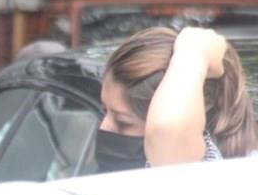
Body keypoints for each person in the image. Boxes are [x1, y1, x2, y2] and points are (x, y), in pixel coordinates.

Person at [95, 26, 258, 172]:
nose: (103, 127)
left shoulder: (203, 175)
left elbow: (167, 129)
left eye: (123, 122)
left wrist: (194, 52)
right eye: (104, 111)